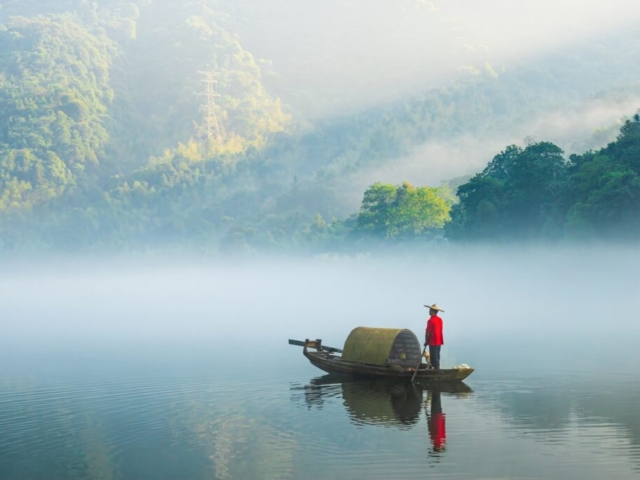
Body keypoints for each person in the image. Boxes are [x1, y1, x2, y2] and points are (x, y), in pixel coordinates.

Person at [424, 303, 444, 370]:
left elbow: (428, 332)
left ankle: (436, 370)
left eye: (430, 310)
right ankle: (437, 368)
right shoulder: (440, 320)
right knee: (437, 356)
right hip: (439, 341)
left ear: (433, 311)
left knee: (434, 357)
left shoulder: (430, 320)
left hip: (433, 341)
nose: (429, 311)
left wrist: (426, 341)